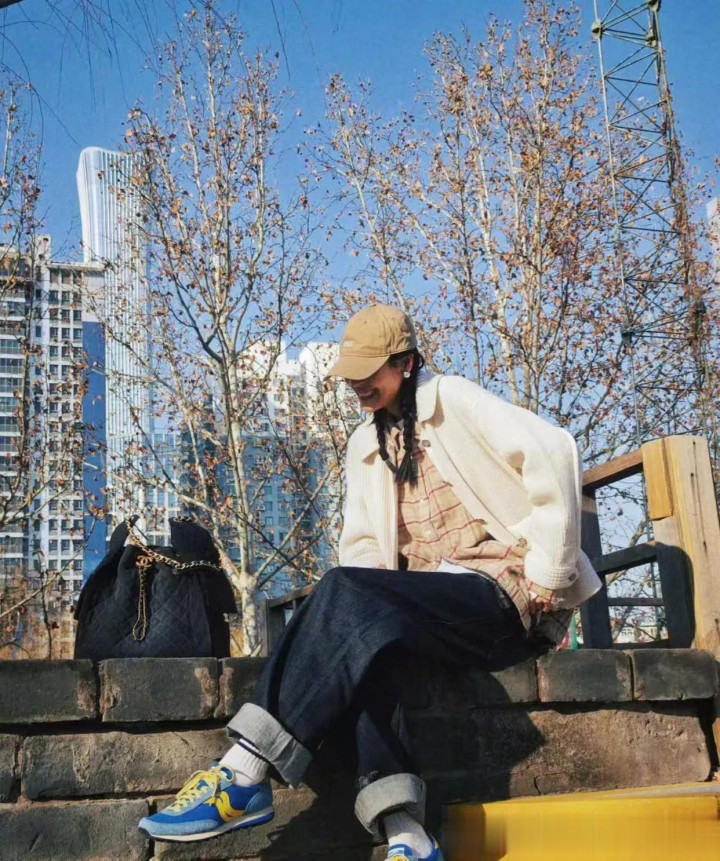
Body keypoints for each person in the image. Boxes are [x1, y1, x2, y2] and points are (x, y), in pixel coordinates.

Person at [138, 305, 602, 860]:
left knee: (345, 596)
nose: (357, 385)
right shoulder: (365, 444)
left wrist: (551, 569)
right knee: (359, 648)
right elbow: (361, 549)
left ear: (405, 363)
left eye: (369, 372)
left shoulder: (450, 399)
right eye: (350, 375)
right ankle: (409, 837)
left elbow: (554, 449)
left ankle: (243, 771)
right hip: (430, 610)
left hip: (505, 598)